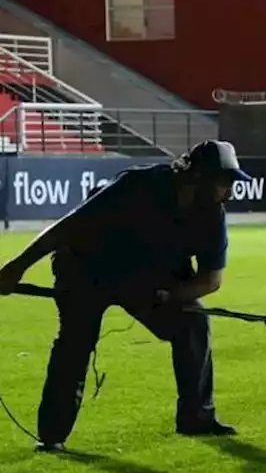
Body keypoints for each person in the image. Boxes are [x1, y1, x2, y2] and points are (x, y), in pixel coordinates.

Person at [0, 140, 248, 452]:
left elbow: (210, 280)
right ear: (196, 178)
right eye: (223, 184)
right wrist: (16, 268)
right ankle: (52, 437)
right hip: (86, 266)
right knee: (75, 342)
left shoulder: (212, 215)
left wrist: (172, 295)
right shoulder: (135, 187)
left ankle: (196, 417)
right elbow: (67, 228)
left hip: (146, 275)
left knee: (192, 324)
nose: (229, 193)